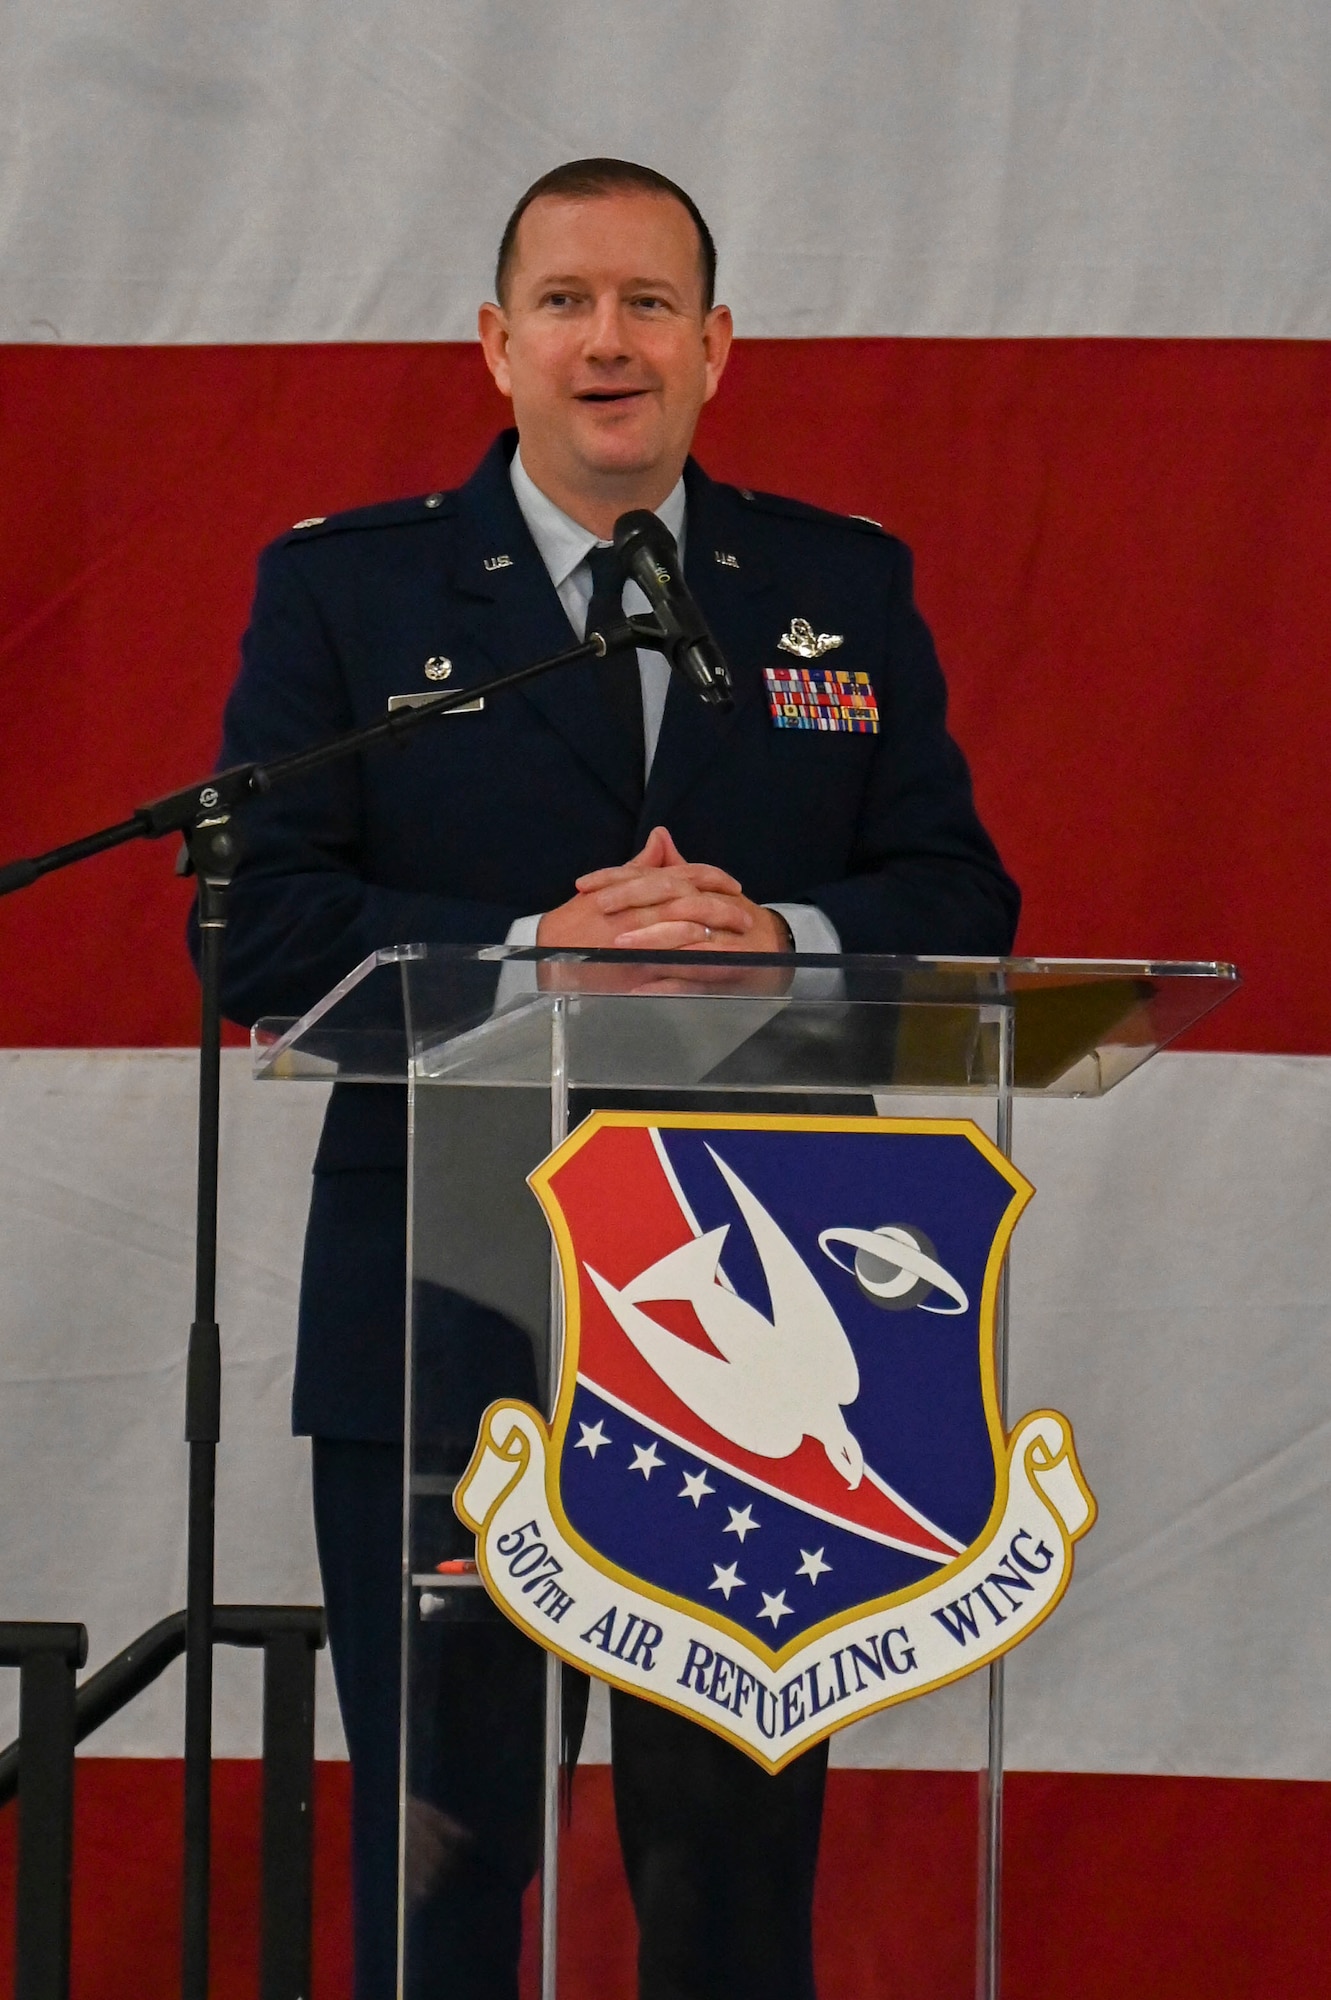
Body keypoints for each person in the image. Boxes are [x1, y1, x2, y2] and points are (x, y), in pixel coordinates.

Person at [207, 158, 1019, 2000]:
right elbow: (260, 936)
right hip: (452, 1299)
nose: (609, 341)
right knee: (451, 1854)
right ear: (495, 344)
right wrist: (531, 957)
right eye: (566, 302)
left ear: (718, 348)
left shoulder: (838, 585)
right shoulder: (349, 595)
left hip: (770, 1318)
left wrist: (783, 938)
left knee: (729, 1868)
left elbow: (961, 904)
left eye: (651, 303)